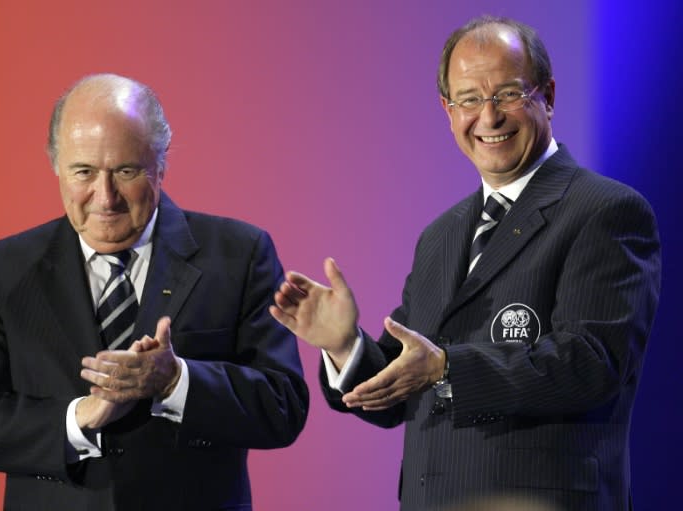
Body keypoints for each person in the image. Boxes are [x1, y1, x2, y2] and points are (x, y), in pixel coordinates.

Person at [270, 16, 660, 511]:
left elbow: (591, 363)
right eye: (470, 99)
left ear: (549, 96)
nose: (489, 117)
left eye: (509, 94)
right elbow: (404, 382)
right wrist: (346, 346)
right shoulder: (441, 235)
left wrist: (447, 368)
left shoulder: (604, 210)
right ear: (448, 111)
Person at [0, 73, 309, 511]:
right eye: (84, 172)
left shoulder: (239, 254)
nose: (105, 196)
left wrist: (176, 380)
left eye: (126, 171)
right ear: (56, 165)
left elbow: (282, 407)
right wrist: (80, 418)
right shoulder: (5, 268)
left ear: (161, 163)